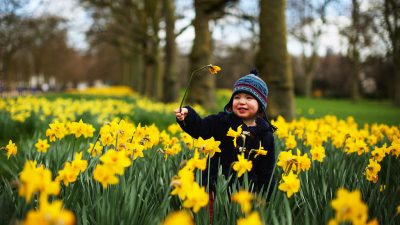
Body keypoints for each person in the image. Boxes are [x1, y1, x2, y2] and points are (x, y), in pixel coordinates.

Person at [174, 70, 276, 197]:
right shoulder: (222, 122)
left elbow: (267, 172)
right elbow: (200, 128)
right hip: (214, 187)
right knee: (211, 216)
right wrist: (187, 115)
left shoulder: (265, 134)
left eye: (249, 98)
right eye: (237, 97)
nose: (241, 102)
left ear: (260, 105)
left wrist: (267, 198)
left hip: (246, 193)